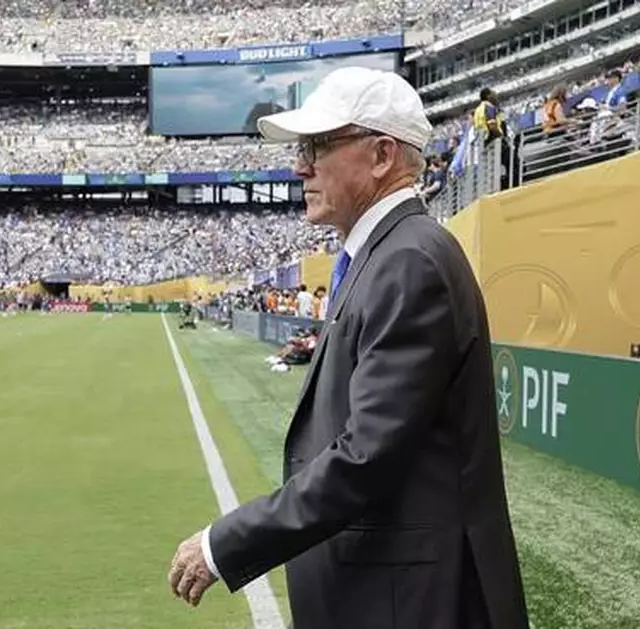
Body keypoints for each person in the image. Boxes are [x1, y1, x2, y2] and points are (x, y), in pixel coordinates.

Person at [167, 66, 530, 629]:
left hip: (412, 602)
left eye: (317, 145)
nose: (300, 165)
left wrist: (223, 544)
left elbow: (364, 458)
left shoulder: (408, 262)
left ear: (382, 155)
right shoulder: (386, 255)